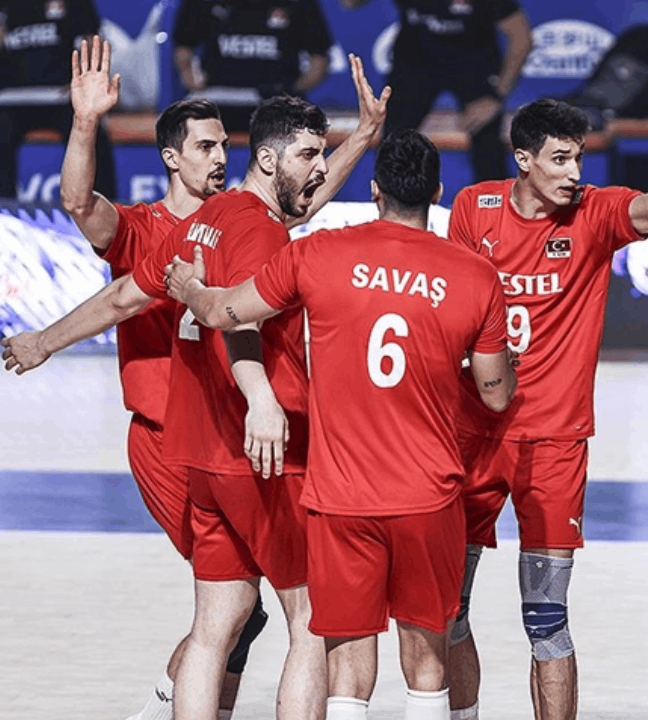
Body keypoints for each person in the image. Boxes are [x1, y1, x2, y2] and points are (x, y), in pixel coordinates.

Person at [1, 74, 389, 719]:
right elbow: (233, 317)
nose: (217, 157)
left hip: (200, 447)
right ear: (172, 157)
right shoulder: (187, 227)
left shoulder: (203, 224)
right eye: (204, 146)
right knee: (309, 617)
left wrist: (45, 341)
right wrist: (261, 396)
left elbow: (126, 295)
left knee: (225, 615)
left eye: (220, 145)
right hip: (249, 446)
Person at [164, 128, 517, 720]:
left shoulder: (318, 253)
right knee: (427, 662)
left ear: (375, 191)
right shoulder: (475, 276)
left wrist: (192, 290)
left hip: (340, 498)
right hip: (428, 496)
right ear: (437, 193)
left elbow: (226, 312)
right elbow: (496, 393)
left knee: (347, 664)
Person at [445, 97, 648, 720]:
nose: (574, 173)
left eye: (579, 159)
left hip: (553, 444)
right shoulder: (473, 208)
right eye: (560, 159)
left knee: (546, 621)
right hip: (472, 436)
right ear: (523, 160)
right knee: (447, 609)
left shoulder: (595, 213)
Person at [339, 0, 532, 183]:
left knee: (487, 146)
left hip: (473, 64)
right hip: (415, 63)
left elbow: (521, 37)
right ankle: (392, 201)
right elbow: (349, 3)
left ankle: (492, 202)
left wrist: (496, 98)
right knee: (393, 143)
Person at [0, 0, 116, 199]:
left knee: (90, 128)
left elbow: (92, 43)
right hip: (2, 100)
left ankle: (104, 211)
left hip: (61, 97)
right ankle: (1, 211)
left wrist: (87, 80)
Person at [173, 0, 335, 133]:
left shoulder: (298, 3)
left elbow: (319, 60)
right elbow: (183, 48)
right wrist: (191, 77)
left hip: (277, 105)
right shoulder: (202, 3)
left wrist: (291, 92)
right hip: (218, 100)